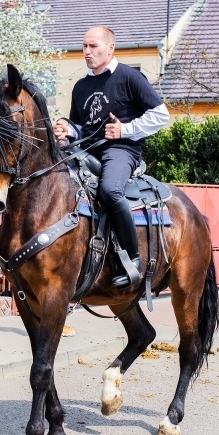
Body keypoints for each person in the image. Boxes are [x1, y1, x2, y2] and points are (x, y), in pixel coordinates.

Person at [53, 25, 169, 288]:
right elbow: (81, 127)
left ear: (110, 48)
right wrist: (65, 129)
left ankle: (132, 260)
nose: (87, 51)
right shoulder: (81, 85)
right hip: (87, 149)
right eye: (84, 46)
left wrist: (124, 130)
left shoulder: (130, 77)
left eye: (93, 46)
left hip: (122, 149)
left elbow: (161, 115)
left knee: (109, 191)